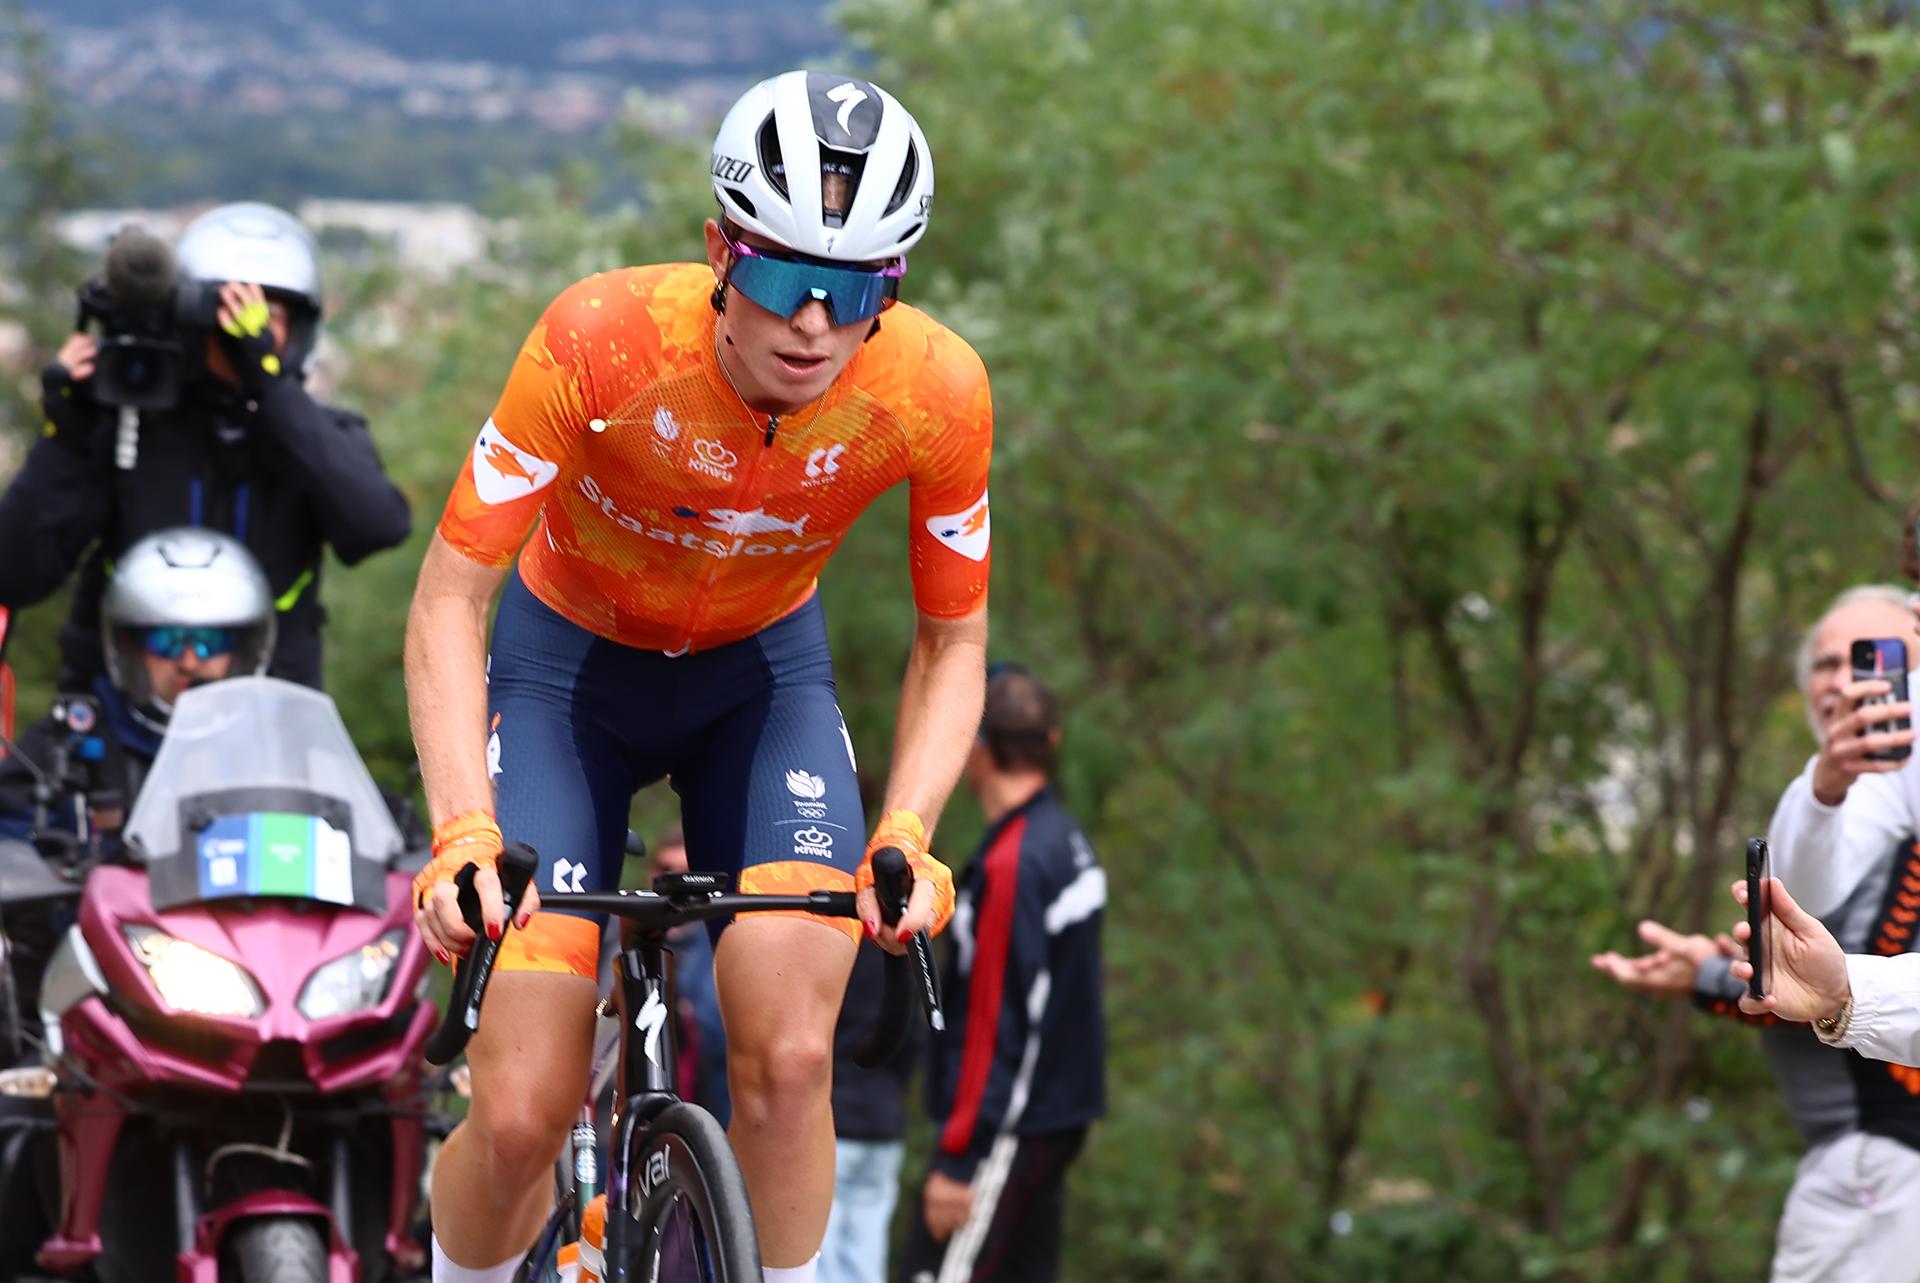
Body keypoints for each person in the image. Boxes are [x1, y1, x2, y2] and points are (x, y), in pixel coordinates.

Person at [404, 70, 988, 1283]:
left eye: (857, 289)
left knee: (786, 1062)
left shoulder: (937, 392)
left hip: (761, 686)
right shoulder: (599, 342)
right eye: (782, 278)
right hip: (568, 680)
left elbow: (954, 641)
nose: (815, 323)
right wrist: (462, 826)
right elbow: (452, 596)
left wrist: (914, 831)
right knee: (520, 1112)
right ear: (722, 253)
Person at [1592, 584, 1920, 1283]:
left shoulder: (1900, 811)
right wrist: (1713, 976)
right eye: (1827, 663)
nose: (1844, 680)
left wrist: (1714, 983)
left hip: (1888, 1171)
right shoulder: (1841, 805)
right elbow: (1828, 981)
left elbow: (1854, 996)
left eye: (1872, 660)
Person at [0, 527, 275, 1278]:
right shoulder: (64, 748)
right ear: (126, 645)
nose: (191, 659)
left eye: (213, 640)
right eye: (168, 638)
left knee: (403, 1098)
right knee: (16, 1115)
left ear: (248, 647)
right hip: (98, 1013)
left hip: (263, 1004)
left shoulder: (283, 744)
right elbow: (10, 835)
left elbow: (372, 830)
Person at [0, 202, 411, 691]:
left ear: (300, 333)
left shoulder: (317, 437)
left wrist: (271, 389)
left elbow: (378, 525)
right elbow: (18, 575)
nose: (242, 330)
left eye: (265, 314)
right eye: (226, 310)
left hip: (270, 723)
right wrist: (66, 439)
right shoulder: (132, 428)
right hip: (118, 723)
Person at [898, 664, 1104, 1283]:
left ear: (977, 749)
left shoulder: (1017, 862)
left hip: (1007, 1131)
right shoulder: (1063, 838)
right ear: (1052, 743)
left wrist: (960, 1158)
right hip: (1053, 1119)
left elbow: (996, 1021)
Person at [820, 919, 917, 1283]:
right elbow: (911, 1039)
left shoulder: (829, 939)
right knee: (866, 1255)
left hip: (830, 1117)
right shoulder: (902, 943)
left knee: (819, 1258)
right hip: (882, 1121)